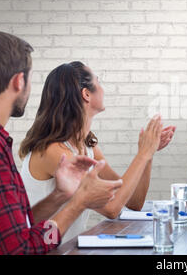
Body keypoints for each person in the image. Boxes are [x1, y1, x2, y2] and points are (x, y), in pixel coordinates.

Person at [0, 31, 122, 254]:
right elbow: (22, 249)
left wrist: (59, 196)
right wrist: (77, 204)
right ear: (19, 81)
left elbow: (20, 229)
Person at [19, 61, 175, 244]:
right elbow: (111, 209)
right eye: (98, 82)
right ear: (86, 94)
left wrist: (149, 154)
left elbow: (133, 201)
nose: (103, 89)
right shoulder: (54, 152)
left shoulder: (87, 147)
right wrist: (143, 154)